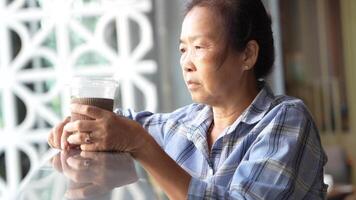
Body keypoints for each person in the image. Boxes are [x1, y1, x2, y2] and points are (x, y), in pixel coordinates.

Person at [48, 0, 328, 199]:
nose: (186, 63)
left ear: (247, 55)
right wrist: (83, 127)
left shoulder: (286, 119)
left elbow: (135, 136)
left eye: (199, 47)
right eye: (183, 49)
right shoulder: (188, 123)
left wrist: (142, 145)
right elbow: (124, 125)